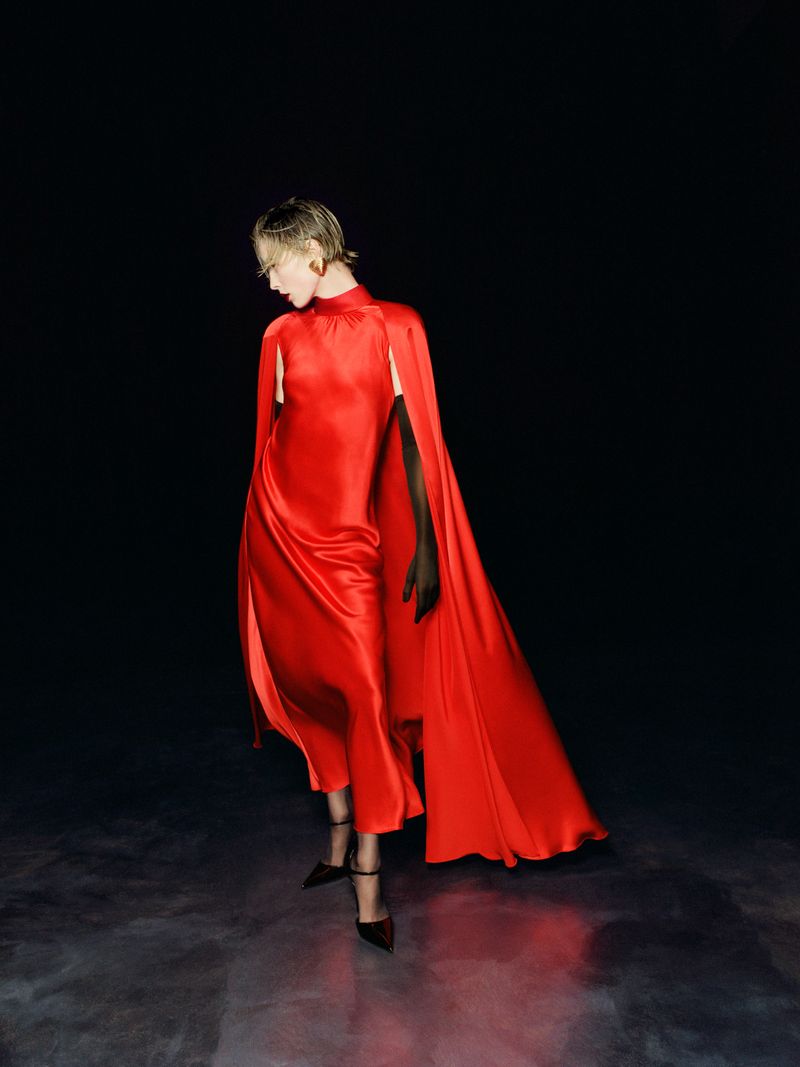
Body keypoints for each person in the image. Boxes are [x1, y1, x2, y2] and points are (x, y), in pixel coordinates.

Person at [237, 197, 608, 954]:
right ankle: (338, 839)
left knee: (365, 695)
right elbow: (271, 445)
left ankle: (369, 877)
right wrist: (260, 544)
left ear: (312, 253)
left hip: (351, 547)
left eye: (275, 267)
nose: (270, 283)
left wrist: (429, 544)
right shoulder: (278, 335)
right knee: (308, 686)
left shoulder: (395, 326)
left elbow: (416, 445)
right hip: (280, 539)